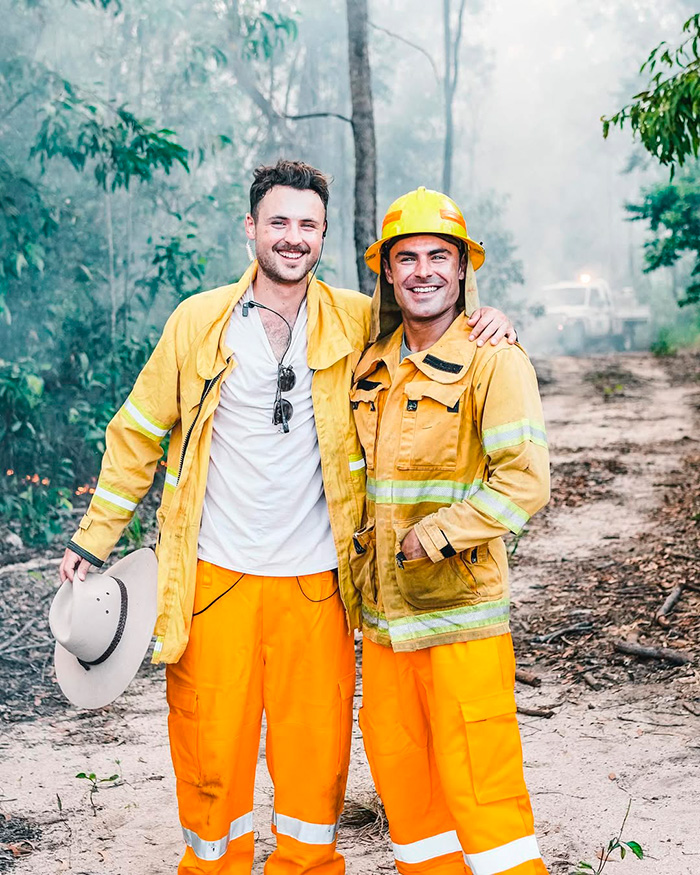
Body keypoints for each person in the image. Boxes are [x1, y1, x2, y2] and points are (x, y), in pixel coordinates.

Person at [58, 161, 516, 875]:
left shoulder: (357, 320)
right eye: (279, 222)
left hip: (317, 586)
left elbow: (434, 322)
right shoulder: (198, 322)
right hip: (214, 583)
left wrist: (489, 317)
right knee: (211, 759)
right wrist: (95, 536)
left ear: (324, 236)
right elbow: (138, 431)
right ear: (251, 228)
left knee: (314, 765)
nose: (292, 237)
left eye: (308, 225)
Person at [350, 187, 550, 875]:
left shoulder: (494, 357)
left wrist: (437, 534)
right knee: (411, 806)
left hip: (461, 617)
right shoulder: (369, 363)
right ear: (387, 271)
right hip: (384, 625)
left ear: (464, 269)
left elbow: (526, 481)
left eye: (441, 256)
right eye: (407, 258)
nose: (424, 270)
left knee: (485, 800)